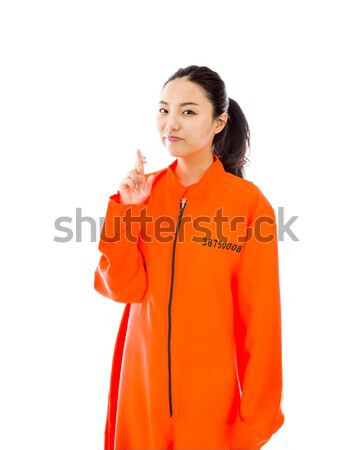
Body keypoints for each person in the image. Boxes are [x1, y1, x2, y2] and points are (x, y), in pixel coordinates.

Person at [94, 65, 284, 450]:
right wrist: (128, 212)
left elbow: (261, 320)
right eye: (164, 110)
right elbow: (123, 288)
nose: (171, 123)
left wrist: (255, 422)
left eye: (188, 111)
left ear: (219, 122)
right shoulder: (146, 192)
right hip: (141, 392)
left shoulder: (247, 205)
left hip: (210, 405)